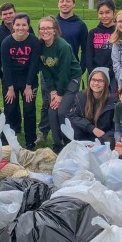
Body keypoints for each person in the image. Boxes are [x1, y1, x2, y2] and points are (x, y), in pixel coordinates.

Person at [38, 16, 82, 153]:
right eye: (42, 28)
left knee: (62, 111)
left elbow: (64, 72)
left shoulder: (63, 46)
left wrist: (60, 94)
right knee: (52, 112)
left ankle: (69, 142)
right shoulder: (41, 46)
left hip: (71, 79)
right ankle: (58, 145)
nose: (45, 31)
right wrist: (52, 91)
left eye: (48, 28)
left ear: (55, 30)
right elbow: (45, 71)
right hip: (56, 82)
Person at [1, 13, 40, 150]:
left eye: (24, 24)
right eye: (18, 24)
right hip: (11, 80)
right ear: (13, 25)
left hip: (28, 79)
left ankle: (30, 140)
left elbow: (34, 65)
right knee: (10, 109)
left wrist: (29, 86)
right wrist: (10, 88)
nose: (21, 27)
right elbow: (5, 66)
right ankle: (7, 139)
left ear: (28, 26)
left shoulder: (34, 42)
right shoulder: (6, 42)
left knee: (29, 109)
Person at [68, 67, 118, 147]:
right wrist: (91, 128)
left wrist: (100, 141)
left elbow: (115, 128)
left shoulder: (114, 101)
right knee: (74, 127)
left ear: (106, 83)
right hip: (86, 134)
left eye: (100, 81)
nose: (96, 83)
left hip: (104, 137)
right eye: (93, 79)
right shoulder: (80, 96)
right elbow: (73, 116)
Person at [86, 0, 116, 92]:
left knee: (110, 102)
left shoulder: (118, 32)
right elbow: (89, 55)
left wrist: (109, 73)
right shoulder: (93, 33)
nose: (104, 16)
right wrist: (94, 73)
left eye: (107, 12)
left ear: (113, 12)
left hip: (112, 74)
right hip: (94, 73)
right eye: (101, 13)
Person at [56, 0, 88, 75]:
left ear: (73, 4)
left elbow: (85, 49)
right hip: (53, 68)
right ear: (58, 4)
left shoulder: (80, 25)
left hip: (72, 69)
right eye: (62, 1)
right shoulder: (52, 23)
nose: (64, 4)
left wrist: (81, 68)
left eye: (68, 1)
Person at [0, 2, 16, 81]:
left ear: (15, 13)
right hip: (6, 71)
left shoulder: (26, 28)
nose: (8, 16)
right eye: (5, 14)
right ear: (1, 16)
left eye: (10, 13)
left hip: (24, 71)